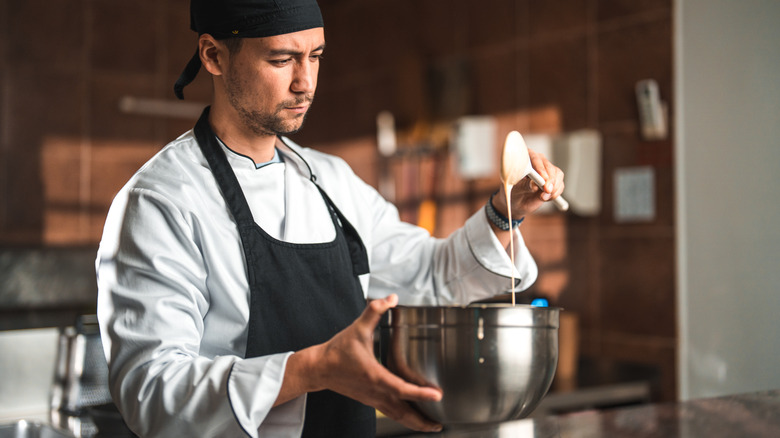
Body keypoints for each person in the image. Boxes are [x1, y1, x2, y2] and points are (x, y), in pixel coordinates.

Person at [95, 0, 565, 437]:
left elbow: (431, 274)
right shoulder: (161, 201)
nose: (306, 82)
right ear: (214, 56)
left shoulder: (331, 182)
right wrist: (312, 369)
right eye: (282, 60)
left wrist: (505, 214)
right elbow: (151, 392)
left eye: (315, 56)